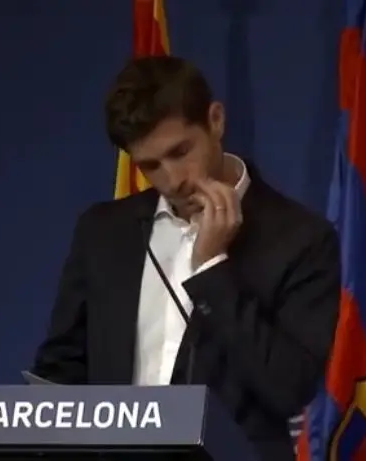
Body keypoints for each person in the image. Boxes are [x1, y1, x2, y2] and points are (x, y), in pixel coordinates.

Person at [31, 56, 340, 461]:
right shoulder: (103, 231)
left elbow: (289, 387)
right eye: (151, 166)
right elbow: (61, 371)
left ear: (215, 121)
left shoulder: (301, 239)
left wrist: (212, 269)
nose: (173, 180)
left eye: (180, 152)